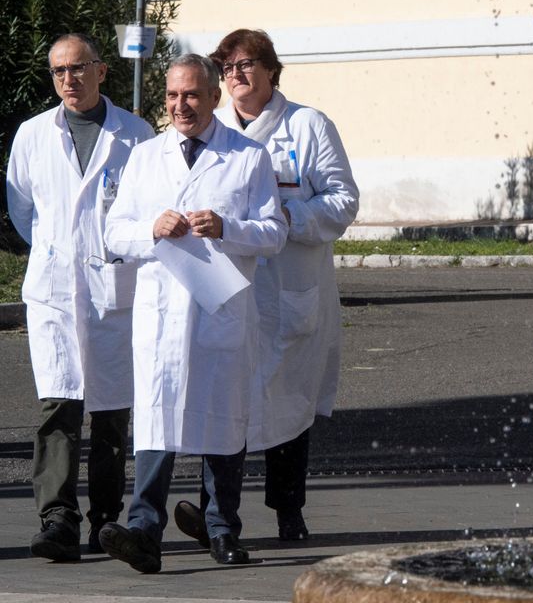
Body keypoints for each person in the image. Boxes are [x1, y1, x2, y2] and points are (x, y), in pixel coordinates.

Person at [99, 54, 287, 573]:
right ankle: (144, 531)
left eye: (192, 96)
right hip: (161, 315)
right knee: (157, 422)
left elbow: (275, 234)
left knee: (223, 422)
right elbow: (115, 232)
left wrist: (228, 227)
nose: (181, 106)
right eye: (173, 96)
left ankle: (223, 528)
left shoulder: (247, 157)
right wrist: (150, 229)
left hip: (220, 311)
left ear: (213, 97)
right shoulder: (145, 157)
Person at [174, 29, 358, 544]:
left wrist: (286, 216)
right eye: (227, 66)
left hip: (288, 287)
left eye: (246, 64)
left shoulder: (307, 125)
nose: (236, 75)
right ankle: (214, 513)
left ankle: (288, 511)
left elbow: (343, 200)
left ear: (271, 70)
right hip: (228, 286)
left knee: (288, 404)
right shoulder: (211, 129)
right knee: (223, 396)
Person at [6, 34, 154, 561]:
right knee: (58, 405)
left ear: (101, 70)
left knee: (112, 411)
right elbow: (24, 210)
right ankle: (58, 520)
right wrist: (57, 253)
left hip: (114, 290)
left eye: (79, 68)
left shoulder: (135, 136)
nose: (69, 79)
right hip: (55, 291)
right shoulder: (32, 135)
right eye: (58, 71)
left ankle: (107, 519)